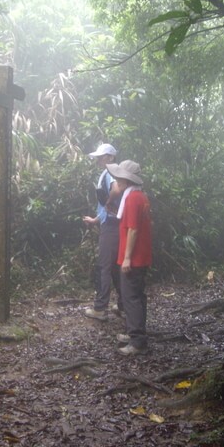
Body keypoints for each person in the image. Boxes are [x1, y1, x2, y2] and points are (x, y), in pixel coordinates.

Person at [106, 160, 152, 356]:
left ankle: (137, 341)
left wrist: (126, 258)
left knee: (130, 297)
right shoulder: (139, 196)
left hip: (134, 257)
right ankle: (136, 333)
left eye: (119, 177)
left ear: (127, 179)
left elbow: (133, 229)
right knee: (137, 295)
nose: (116, 180)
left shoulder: (132, 198)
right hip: (141, 255)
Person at [83, 143, 123, 321]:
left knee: (104, 267)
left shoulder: (111, 173)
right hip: (115, 225)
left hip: (111, 228)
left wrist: (108, 202)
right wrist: (95, 219)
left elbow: (115, 191)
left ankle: (100, 309)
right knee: (115, 267)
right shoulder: (111, 174)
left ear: (111, 157)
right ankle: (123, 305)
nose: (99, 159)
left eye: (102, 156)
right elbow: (109, 206)